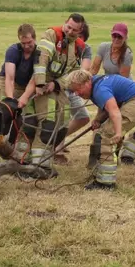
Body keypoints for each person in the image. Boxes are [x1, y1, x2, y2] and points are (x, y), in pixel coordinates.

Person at [17, 13, 86, 176]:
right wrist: (41, 83)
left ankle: (42, 163)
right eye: (68, 27)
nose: (70, 31)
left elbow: (73, 73)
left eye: (74, 30)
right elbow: (42, 59)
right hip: (41, 84)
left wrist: (55, 84)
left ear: (80, 31)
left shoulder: (78, 47)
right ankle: (33, 165)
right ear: (65, 24)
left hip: (57, 87)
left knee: (61, 125)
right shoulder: (51, 35)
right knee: (46, 123)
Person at [67, 69, 135, 190]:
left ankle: (106, 183)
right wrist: (98, 120)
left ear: (86, 82)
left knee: (106, 135)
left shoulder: (100, 89)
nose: (77, 94)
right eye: (74, 91)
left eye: (78, 89)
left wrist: (117, 132)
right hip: (132, 102)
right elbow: (105, 106)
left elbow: (114, 111)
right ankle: (99, 170)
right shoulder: (96, 84)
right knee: (101, 132)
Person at [87, 22, 133, 167]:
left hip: (121, 91)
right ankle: (93, 158)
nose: (116, 39)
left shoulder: (127, 54)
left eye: (120, 37)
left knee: (116, 123)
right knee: (98, 123)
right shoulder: (103, 47)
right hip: (105, 86)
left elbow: (123, 79)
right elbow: (94, 69)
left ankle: (114, 156)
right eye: (114, 35)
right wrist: (86, 84)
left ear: (125, 38)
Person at [0, 23, 36, 162]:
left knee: (29, 119)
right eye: (23, 43)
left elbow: (34, 81)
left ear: (34, 38)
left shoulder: (40, 53)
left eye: (29, 42)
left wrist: (25, 97)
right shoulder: (13, 50)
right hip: (8, 81)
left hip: (27, 84)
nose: (26, 46)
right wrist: (10, 103)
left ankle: (21, 154)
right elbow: (9, 78)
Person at [54, 22, 93, 165]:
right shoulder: (61, 46)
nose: (76, 38)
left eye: (80, 36)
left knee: (83, 117)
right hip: (59, 87)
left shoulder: (86, 49)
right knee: (61, 118)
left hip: (74, 89)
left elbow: (84, 71)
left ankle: (57, 142)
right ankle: (56, 150)